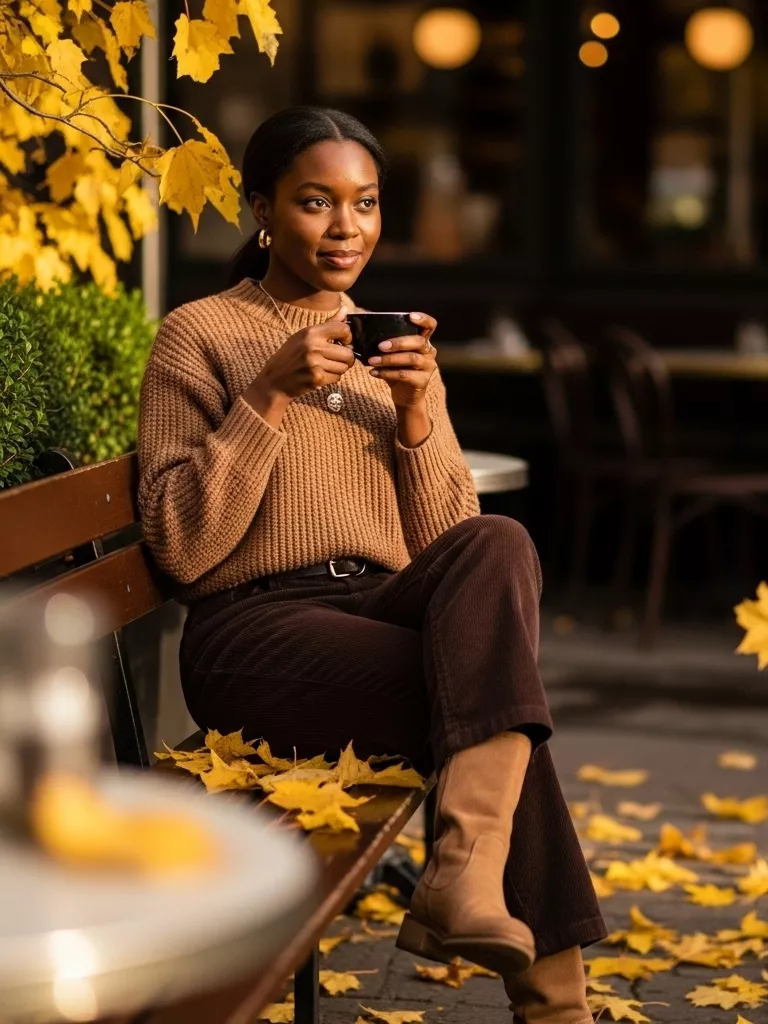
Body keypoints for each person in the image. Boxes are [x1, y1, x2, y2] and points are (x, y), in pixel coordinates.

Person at [138, 106, 605, 1022]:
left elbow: (451, 548)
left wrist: (418, 419)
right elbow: (183, 544)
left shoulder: (387, 347)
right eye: (317, 203)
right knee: (498, 702)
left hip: (383, 609)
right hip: (253, 634)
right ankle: (545, 992)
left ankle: (467, 878)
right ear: (264, 210)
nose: (346, 228)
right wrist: (267, 393)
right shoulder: (198, 335)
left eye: (365, 204)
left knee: (501, 546)